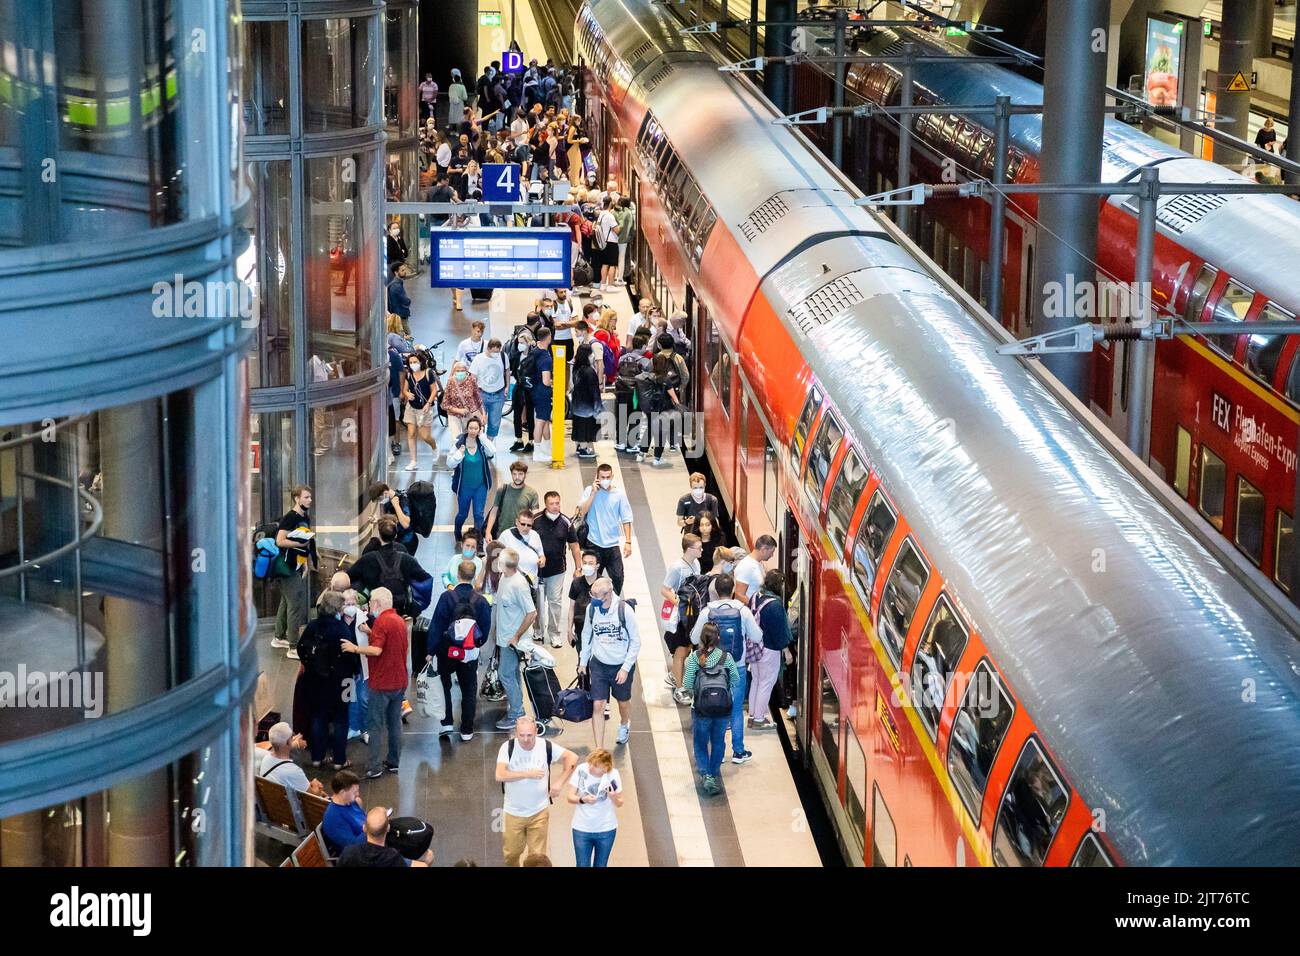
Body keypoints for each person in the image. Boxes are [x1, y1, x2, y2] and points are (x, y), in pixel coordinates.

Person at [690, 572, 761, 766]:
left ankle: (719, 753)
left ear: (715, 590)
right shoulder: (743, 611)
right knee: (736, 709)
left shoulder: (707, 611)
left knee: (715, 709)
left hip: (711, 669)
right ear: (732, 591)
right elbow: (756, 636)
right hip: (736, 667)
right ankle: (738, 751)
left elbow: (695, 639)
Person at [342, 588, 409, 779]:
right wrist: (371, 632)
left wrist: (355, 648)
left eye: (371, 602)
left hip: (381, 684)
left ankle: (373, 766)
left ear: (377, 604)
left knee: (376, 725)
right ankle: (394, 761)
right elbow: (388, 645)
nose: (369, 605)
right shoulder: (399, 621)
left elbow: (377, 651)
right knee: (394, 722)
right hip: (400, 681)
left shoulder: (381, 621)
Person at [495, 716, 578, 866]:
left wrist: (560, 782)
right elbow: (500, 775)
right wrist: (527, 774)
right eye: (521, 735)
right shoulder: (507, 748)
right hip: (513, 812)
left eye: (529, 735)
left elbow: (572, 757)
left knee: (538, 858)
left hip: (539, 812)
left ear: (536, 731)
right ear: (516, 732)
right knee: (511, 854)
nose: (526, 739)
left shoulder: (545, 746)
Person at [297, 590, 362, 769]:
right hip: (343, 683)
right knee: (341, 719)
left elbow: (301, 648)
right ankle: (339, 760)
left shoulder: (312, 626)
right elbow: (350, 656)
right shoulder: (342, 629)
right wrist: (355, 670)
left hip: (315, 681)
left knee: (318, 717)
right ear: (336, 609)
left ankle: (317, 757)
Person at [429, 559, 492, 741]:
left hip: (447, 651)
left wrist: (430, 651)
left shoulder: (446, 597)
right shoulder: (480, 601)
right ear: (473, 577)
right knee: (469, 688)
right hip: (469, 652)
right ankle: (466, 729)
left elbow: (436, 625)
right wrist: (476, 645)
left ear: (457, 575)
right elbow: (485, 629)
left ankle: (446, 722)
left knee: (445, 686)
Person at [577, 576, 640, 749]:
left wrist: (626, 668)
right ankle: (599, 748)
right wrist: (583, 661)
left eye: (598, 595)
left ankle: (624, 723)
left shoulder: (625, 611)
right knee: (598, 704)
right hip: (599, 665)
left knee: (622, 702)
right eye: (593, 594)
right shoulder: (592, 609)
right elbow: (586, 635)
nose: (594, 598)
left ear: (609, 593)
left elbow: (635, 642)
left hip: (620, 665)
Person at [683, 621, 742, 797]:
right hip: (723, 710)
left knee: (700, 742)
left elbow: (686, 683)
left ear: (701, 638)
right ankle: (714, 773)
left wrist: (698, 690)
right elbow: (736, 681)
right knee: (718, 741)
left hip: (701, 709)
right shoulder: (726, 657)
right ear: (718, 638)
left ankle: (705, 773)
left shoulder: (695, 658)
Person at [348, 517, 432, 619]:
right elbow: (425, 578)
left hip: (376, 610)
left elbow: (349, 577)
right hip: (400, 610)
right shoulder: (406, 558)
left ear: (379, 534)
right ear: (396, 535)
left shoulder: (368, 559)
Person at [492, 549, 539, 730]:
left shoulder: (518, 584)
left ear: (504, 565)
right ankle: (517, 707)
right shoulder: (505, 577)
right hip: (505, 637)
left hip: (512, 640)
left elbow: (531, 612)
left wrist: (516, 636)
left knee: (505, 674)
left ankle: (517, 713)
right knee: (512, 674)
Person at [272, 485, 317, 660]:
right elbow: (280, 541)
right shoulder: (289, 518)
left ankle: (278, 636)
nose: (309, 500)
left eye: (310, 497)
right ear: (297, 499)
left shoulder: (304, 517)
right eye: (306, 497)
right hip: (286, 567)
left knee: (286, 601)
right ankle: (292, 645)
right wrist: (299, 545)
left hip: (295, 565)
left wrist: (305, 563)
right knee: (294, 605)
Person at [576, 463, 634, 595]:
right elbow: (582, 512)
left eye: (608, 477)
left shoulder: (619, 495)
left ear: (612, 476)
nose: (605, 480)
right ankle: (591, 603)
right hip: (593, 543)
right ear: (597, 476)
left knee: (618, 577)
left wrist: (628, 542)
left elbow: (626, 519)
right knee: (591, 578)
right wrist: (593, 493)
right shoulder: (590, 490)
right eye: (602, 477)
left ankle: (613, 602)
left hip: (612, 545)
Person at [748, 569, 794, 730]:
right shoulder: (774, 605)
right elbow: (780, 632)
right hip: (769, 650)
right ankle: (759, 719)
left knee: (756, 681)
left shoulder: (755, 597)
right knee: (766, 683)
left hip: (754, 647)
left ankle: (753, 715)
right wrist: (786, 651)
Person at [662, 533, 703, 705]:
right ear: (688, 549)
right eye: (698, 547)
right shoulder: (677, 568)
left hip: (692, 615)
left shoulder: (696, 563)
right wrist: (677, 601)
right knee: (680, 652)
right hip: (681, 617)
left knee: (687, 650)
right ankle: (679, 688)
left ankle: (676, 676)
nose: (701, 550)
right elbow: (664, 589)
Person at [568, 748, 623, 867]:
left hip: (606, 829)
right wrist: (583, 800)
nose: (590, 767)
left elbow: (620, 802)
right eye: (591, 763)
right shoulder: (581, 769)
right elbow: (570, 797)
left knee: (601, 865)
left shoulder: (612, 775)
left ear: (605, 768)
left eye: (595, 765)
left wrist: (613, 797)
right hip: (581, 828)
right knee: (582, 864)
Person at [447, 416, 495, 546]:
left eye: (476, 428)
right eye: (471, 428)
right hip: (464, 487)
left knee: (479, 515)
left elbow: (492, 452)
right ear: (466, 428)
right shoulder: (459, 442)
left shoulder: (482, 444)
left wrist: (483, 437)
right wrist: (459, 454)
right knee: (462, 514)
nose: (473, 431)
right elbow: (450, 463)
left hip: (481, 486)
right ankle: (457, 533)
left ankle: (478, 540)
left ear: (480, 429)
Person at [337, 806, 433, 867]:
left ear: (364, 828)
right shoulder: (393, 857)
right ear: (388, 828)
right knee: (428, 857)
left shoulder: (348, 852)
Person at [257, 721, 326, 797]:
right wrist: (315, 783)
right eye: (291, 737)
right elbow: (313, 796)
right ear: (287, 742)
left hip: (274, 802)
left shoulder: (266, 759)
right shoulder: (294, 771)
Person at [635, 353, 681, 466]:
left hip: (650, 409)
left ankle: (641, 454)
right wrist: (679, 407)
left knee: (649, 429)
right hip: (662, 410)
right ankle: (657, 458)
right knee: (661, 433)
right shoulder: (665, 380)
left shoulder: (647, 377)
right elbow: (674, 398)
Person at [400, 349, 439, 472]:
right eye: (410, 362)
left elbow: (434, 390)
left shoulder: (428, 373)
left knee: (425, 436)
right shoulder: (409, 374)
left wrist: (428, 403)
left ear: (421, 362)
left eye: (415, 361)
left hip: (424, 408)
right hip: (411, 407)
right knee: (411, 433)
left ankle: (434, 447)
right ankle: (413, 461)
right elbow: (405, 389)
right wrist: (407, 394)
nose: (412, 364)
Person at [486, 460, 540, 541]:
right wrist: (488, 531)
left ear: (525, 475)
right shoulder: (502, 490)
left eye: (520, 474)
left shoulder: (532, 493)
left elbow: (535, 515)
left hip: (522, 534)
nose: (517, 477)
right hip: (502, 533)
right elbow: (494, 511)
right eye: (514, 474)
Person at [499, 508, 545, 600]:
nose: (525, 527)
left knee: (531, 613)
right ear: (517, 522)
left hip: (531, 584)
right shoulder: (506, 535)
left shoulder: (535, 535)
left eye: (529, 525)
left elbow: (541, 554)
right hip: (511, 584)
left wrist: (542, 560)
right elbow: (496, 557)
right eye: (523, 524)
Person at [469, 337, 509, 439]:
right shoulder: (479, 359)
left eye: (498, 351)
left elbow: (507, 371)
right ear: (488, 348)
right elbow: (472, 378)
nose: (496, 354)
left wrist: (507, 386)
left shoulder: (503, 356)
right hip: (482, 394)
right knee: (479, 422)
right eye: (494, 351)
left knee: (494, 423)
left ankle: (489, 446)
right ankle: (479, 445)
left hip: (498, 395)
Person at [321, 770, 366, 854]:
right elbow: (353, 848)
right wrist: (371, 829)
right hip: (361, 853)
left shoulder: (351, 802)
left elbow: (363, 819)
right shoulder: (333, 819)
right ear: (342, 792)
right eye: (355, 792)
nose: (358, 794)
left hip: (371, 839)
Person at [508, 324, 538, 453]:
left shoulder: (534, 356)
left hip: (530, 388)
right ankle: (519, 440)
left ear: (528, 343)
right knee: (516, 414)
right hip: (519, 386)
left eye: (522, 342)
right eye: (518, 342)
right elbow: (512, 369)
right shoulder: (516, 356)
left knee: (530, 415)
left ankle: (531, 441)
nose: (519, 345)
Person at [570, 342, 603, 459]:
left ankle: (580, 446)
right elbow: (595, 391)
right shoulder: (589, 371)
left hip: (577, 404)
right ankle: (584, 449)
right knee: (586, 427)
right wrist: (598, 407)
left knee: (578, 425)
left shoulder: (576, 368)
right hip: (587, 406)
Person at [529, 327, 555, 462]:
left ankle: (546, 448)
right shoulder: (545, 357)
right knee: (540, 421)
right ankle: (537, 452)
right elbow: (546, 381)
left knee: (544, 420)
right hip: (543, 392)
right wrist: (553, 383)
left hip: (534, 390)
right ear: (549, 337)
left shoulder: (535, 351)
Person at [442, 359, 485, 436]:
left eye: (462, 370)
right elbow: (444, 404)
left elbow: (478, 399)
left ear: (466, 371)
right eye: (457, 371)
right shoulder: (450, 381)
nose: (460, 372)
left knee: (471, 437)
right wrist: (459, 410)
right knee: (456, 439)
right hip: (454, 414)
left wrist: (483, 414)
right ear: (454, 372)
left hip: (470, 414)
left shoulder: (471, 380)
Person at [568, 550, 600, 651]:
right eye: (584, 563)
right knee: (582, 657)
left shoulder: (603, 584)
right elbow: (571, 608)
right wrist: (569, 631)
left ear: (597, 566)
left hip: (598, 630)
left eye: (591, 563)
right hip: (580, 629)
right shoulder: (576, 583)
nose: (587, 566)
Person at [734, 534, 776, 603]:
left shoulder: (758, 563)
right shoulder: (746, 566)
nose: (772, 555)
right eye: (771, 552)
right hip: (749, 612)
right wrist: (755, 608)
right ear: (763, 549)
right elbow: (739, 595)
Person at [596, 195, 621, 291]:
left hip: (602, 242)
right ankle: (610, 285)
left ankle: (603, 284)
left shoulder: (601, 214)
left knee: (604, 264)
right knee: (613, 264)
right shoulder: (610, 216)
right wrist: (620, 226)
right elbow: (617, 230)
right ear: (610, 203)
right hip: (611, 242)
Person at [614, 196, 635, 285]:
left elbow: (619, 226)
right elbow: (632, 228)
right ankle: (619, 278)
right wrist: (630, 237)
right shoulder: (629, 212)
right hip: (624, 239)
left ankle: (615, 278)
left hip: (616, 238)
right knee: (621, 259)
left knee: (616, 259)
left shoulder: (617, 212)